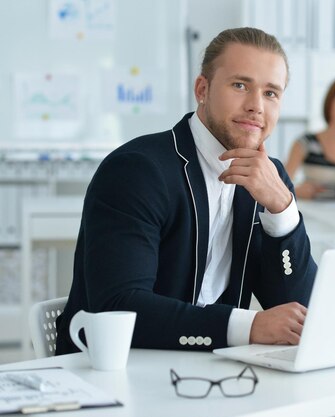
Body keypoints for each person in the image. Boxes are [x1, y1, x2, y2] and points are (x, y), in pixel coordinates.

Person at [55, 27, 317, 355]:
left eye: (271, 93)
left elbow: (299, 310)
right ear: (202, 89)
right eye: (240, 85)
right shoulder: (137, 170)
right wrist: (249, 326)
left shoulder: (270, 177)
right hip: (120, 375)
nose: (256, 106)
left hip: (216, 373)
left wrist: (283, 209)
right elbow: (119, 307)